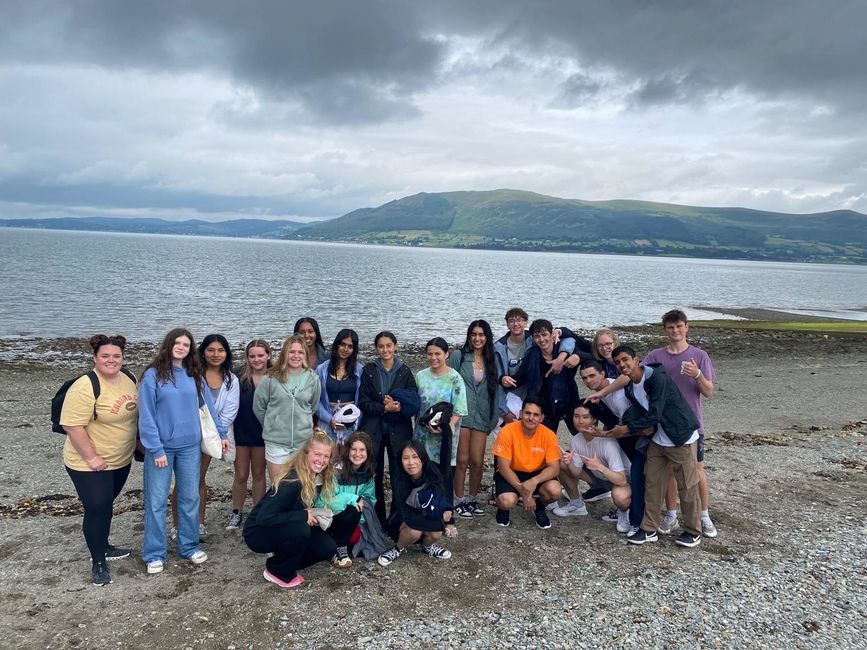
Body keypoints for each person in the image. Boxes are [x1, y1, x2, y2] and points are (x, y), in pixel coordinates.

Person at [138, 328, 228, 575]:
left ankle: (188, 546)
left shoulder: (193, 374)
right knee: (156, 502)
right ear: (168, 345)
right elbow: (146, 415)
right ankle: (154, 553)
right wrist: (155, 449)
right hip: (162, 449)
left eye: (186, 344)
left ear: (190, 349)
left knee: (190, 497)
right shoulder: (153, 376)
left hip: (190, 447)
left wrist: (221, 433)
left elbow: (207, 406)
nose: (181, 347)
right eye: (177, 343)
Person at [60, 334, 138, 586]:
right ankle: (98, 562)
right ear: (95, 358)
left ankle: (104, 545)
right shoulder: (85, 386)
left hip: (120, 459)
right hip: (89, 463)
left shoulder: (129, 378)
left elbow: (132, 416)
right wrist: (92, 457)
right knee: (97, 508)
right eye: (105, 356)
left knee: (106, 505)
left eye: (116, 356)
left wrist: (138, 444)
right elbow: (72, 425)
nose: (111, 360)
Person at [608, 346, 703, 548]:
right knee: (652, 484)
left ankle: (693, 531)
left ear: (637, 360)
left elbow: (655, 414)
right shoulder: (630, 387)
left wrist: (625, 429)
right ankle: (649, 528)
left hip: (680, 437)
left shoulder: (656, 378)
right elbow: (641, 413)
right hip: (658, 440)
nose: (622, 365)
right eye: (617, 362)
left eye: (625, 359)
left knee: (687, 485)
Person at [642, 309, 717, 538]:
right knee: (669, 474)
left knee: (696, 473)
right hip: (664, 426)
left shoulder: (699, 356)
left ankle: (704, 516)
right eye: (670, 327)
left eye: (678, 326)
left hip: (691, 426)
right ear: (665, 330)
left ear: (686, 327)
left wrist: (696, 374)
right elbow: (637, 376)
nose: (675, 330)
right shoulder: (656, 356)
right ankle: (672, 514)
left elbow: (709, 391)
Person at [242, 430, 341, 588]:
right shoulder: (292, 481)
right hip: (257, 532)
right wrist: (302, 515)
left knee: (327, 548)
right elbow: (264, 517)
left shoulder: (317, 476)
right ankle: (277, 571)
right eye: (317, 454)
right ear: (306, 453)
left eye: (326, 456)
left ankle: (282, 559)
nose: (321, 460)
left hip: (284, 523)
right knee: (301, 529)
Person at [170, 334, 239, 540]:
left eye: (220, 350)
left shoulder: (231, 379)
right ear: (203, 352)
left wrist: (216, 432)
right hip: (187, 434)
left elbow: (230, 411)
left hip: (210, 437)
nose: (215, 354)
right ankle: (177, 525)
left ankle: (199, 523)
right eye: (211, 350)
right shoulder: (191, 374)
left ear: (226, 353)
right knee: (183, 481)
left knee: (199, 478)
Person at [358, 331, 418, 527]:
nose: (385, 350)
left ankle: (396, 519)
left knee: (398, 476)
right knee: (372, 475)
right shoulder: (369, 370)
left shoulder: (405, 371)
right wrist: (384, 408)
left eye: (389, 346)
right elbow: (364, 403)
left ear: (395, 347)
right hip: (373, 431)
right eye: (381, 346)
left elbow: (413, 401)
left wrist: (398, 407)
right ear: (376, 348)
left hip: (399, 431)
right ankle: (376, 519)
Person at [414, 337, 467, 536]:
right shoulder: (420, 376)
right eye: (430, 354)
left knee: (444, 478)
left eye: (438, 354)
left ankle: (448, 519)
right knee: (422, 476)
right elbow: (415, 406)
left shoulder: (455, 378)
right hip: (421, 435)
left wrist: (447, 427)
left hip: (445, 438)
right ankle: (424, 514)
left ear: (446, 354)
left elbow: (459, 409)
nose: (433, 357)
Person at [448, 320, 501, 518]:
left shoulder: (492, 359)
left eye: (481, 334)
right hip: (462, 414)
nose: (477, 338)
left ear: (487, 337)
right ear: (469, 336)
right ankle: (459, 499)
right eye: (474, 334)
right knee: (462, 460)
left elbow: (496, 391)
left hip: (482, 415)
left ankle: (472, 498)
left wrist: (494, 416)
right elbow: (449, 383)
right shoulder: (458, 356)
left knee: (478, 461)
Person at [253, 334, 321, 483]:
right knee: (278, 487)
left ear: (305, 354)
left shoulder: (312, 378)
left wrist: (303, 423)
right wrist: (272, 424)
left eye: (300, 352)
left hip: (302, 442)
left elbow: (313, 406)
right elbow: (259, 407)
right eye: (292, 352)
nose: (296, 356)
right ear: (285, 353)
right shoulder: (270, 378)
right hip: (276, 443)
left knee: (302, 486)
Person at [501, 319, 588, 431]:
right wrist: (502, 379)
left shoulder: (564, 349)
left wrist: (578, 357)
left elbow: (590, 353)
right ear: (532, 338)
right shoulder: (532, 355)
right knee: (545, 440)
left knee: (580, 432)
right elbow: (520, 378)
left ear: (552, 334)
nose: (541, 339)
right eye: (537, 336)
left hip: (568, 398)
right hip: (545, 405)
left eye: (544, 334)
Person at [377, 440, 454, 566]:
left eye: (415, 457)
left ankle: (427, 547)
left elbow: (441, 500)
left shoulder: (433, 473)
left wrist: (448, 512)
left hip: (425, 519)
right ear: (401, 462)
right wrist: (440, 519)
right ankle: (397, 548)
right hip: (404, 523)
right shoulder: (400, 480)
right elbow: (407, 515)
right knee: (415, 531)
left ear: (422, 459)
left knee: (436, 533)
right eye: (405, 458)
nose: (411, 462)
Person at [558, 403, 632, 533]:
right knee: (560, 463)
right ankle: (577, 504)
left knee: (620, 496)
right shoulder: (576, 439)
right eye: (576, 416)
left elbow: (621, 480)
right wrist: (569, 461)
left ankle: (624, 512)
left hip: (622, 480)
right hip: (600, 477)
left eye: (586, 417)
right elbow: (575, 473)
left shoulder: (607, 442)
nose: (580, 421)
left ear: (594, 419)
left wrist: (600, 467)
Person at [491, 398, 563, 529]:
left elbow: (554, 468)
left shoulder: (549, 435)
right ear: (520, 414)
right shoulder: (507, 431)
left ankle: (539, 507)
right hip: (512, 472)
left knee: (555, 491)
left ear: (541, 418)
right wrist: (525, 493)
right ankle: (503, 509)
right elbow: (503, 467)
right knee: (506, 501)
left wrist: (535, 480)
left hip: (537, 473)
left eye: (536, 415)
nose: (531, 418)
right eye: (527, 413)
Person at [226, 339, 272, 530]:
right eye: (252, 356)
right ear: (247, 358)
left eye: (260, 355)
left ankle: (257, 513)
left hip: (264, 434)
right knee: (241, 475)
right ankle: (236, 512)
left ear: (268, 355)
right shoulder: (237, 376)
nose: (256, 359)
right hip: (241, 431)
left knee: (259, 475)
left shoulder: (275, 376)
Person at [330, 431, 377, 568]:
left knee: (356, 536)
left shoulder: (368, 473)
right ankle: (339, 547)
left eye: (362, 450)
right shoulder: (337, 470)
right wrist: (352, 499)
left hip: (355, 518)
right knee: (353, 506)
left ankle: (341, 544)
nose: (357, 454)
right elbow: (329, 499)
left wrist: (359, 520)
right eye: (354, 449)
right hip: (334, 516)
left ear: (368, 452)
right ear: (347, 450)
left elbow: (370, 499)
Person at [315, 329, 363, 444]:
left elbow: (362, 400)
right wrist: (330, 419)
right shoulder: (321, 370)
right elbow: (315, 401)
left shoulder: (360, 370)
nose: (345, 349)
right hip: (326, 423)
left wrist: (353, 421)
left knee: (348, 459)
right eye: (343, 344)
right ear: (336, 345)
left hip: (350, 424)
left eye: (350, 346)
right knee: (326, 459)